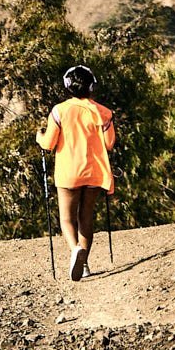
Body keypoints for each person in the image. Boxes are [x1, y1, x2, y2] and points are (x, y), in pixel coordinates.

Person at [36, 65, 115, 281]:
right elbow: (109, 144)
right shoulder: (104, 113)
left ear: (68, 87)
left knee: (67, 218)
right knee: (86, 217)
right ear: (91, 86)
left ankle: (74, 250)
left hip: (68, 172)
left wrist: (39, 137)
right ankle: (85, 264)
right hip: (95, 172)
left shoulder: (59, 111)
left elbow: (49, 144)